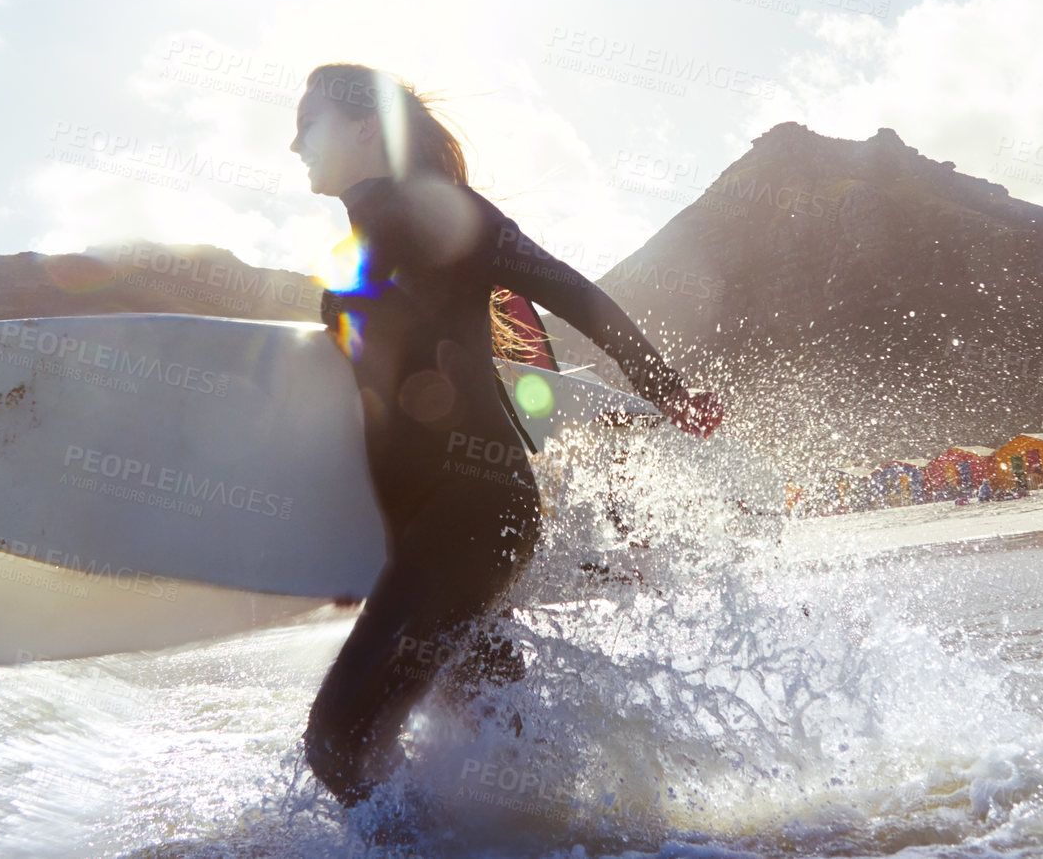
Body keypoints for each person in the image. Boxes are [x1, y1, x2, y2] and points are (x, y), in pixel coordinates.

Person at [290, 63, 724, 807]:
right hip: (438, 526)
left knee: (339, 741)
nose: (293, 142)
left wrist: (667, 392)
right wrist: (356, 550)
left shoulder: (442, 211)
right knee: (496, 742)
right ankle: (590, 830)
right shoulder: (367, 236)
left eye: (308, 122)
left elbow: (575, 294)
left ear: (365, 130)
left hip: (471, 518)